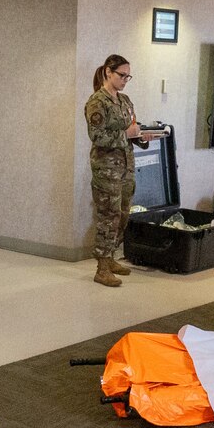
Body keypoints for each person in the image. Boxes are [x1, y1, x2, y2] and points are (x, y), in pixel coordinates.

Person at [85, 54, 140, 288]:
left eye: (128, 76)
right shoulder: (97, 102)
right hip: (106, 169)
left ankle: (112, 256)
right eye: (121, 75)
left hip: (125, 167)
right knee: (108, 216)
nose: (125, 80)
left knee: (124, 213)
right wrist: (125, 135)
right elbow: (97, 136)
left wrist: (140, 135)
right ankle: (102, 267)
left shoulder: (125, 101)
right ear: (108, 72)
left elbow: (131, 130)